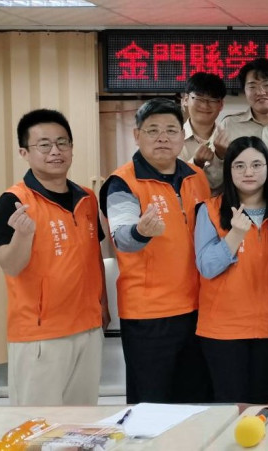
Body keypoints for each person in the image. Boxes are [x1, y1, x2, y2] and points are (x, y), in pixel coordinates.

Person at [0, 109, 109, 406]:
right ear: (24, 152)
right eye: (44, 145)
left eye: (62, 142)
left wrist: (103, 306)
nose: (55, 151)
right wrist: (23, 235)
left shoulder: (87, 198)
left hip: (88, 328)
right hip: (41, 335)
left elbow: (94, 257)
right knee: (37, 424)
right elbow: (10, 266)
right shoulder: (13, 202)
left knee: (82, 420)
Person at [100, 97, 212, 404]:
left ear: (182, 136)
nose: (163, 137)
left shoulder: (196, 177)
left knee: (194, 400)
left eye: (171, 130)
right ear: (137, 135)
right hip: (149, 314)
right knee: (151, 404)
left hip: (197, 309)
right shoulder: (123, 182)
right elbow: (122, 236)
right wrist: (140, 231)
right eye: (153, 130)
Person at [195, 136, 268, 404]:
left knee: (264, 406)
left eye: (257, 164)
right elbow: (207, 267)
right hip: (224, 330)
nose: (249, 172)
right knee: (231, 407)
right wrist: (235, 235)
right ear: (229, 170)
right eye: (239, 165)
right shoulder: (210, 210)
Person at [179, 72, 227, 194]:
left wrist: (221, 156)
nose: (205, 105)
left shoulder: (229, 137)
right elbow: (171, 181)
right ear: (185, 100)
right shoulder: (171, 138)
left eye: (213, 99)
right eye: (199, 98)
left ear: (221, 105)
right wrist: (195, 163)